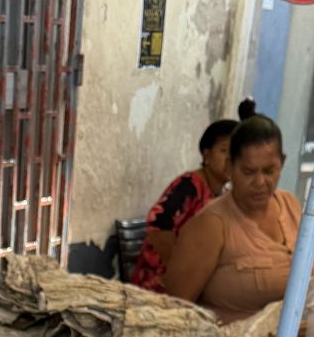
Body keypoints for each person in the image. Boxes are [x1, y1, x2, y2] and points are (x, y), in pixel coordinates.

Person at [164, 109, 303, 323]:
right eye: (248, 172)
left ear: (282, 163)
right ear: (229, 167)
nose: (260, 183)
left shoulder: (291, 206)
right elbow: (175, 310)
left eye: (269, 171)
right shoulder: (212, 225)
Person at [129, 113, 240, 292]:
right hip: (159, 286)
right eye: (224, 150)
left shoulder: (224, 194)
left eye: (235, 153)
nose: (229, 159)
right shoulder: (189, 185)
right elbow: (158, 221)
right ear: (206, 154)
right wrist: (177, 271)